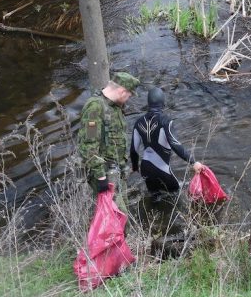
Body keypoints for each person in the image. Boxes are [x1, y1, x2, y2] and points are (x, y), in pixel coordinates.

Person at [129, 87, 204, 240]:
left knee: (154, 196)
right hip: (162, 169)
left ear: (148, 103)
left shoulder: (138, 122)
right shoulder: (166, 121)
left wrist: (135, 167)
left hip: (145, 168)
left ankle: (153, 226)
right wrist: (193, 162)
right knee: (177, 197)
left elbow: (133, 149)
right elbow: (176, 145)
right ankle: (181, 230)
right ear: (163, 103)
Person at [76, 72, 140, 214]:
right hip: (105, 172)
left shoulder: (115, 107)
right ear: (122, 91)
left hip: (115, 170)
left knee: (122, 213)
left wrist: (123, 167)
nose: (128, 99)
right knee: (118, 216)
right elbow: (88, 144)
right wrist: (101, 177)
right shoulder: (94, 108)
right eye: (129, 95)